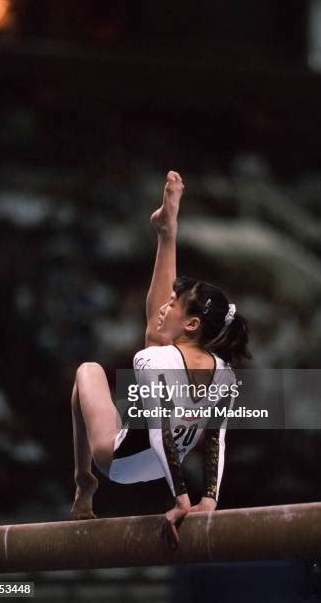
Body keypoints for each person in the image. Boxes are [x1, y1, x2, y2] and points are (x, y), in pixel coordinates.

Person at [70, 171, 252, 548]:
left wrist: (185, 503)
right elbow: (214, 441)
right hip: (162, 459)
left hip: (117, 461)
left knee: (87, 370)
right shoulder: (225, 374)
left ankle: (84, 479)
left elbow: (162, 433)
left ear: (192, 322)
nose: (165, 304)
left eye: (174, 303)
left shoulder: (152, 360)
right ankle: (168, 231)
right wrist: (209, 501)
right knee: (156, 338)